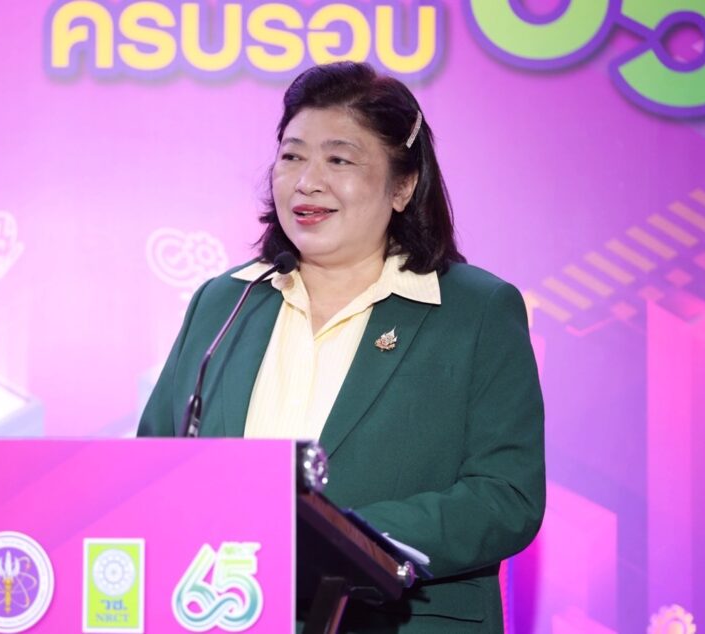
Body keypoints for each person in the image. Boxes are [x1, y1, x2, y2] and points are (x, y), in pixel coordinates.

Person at [139, 62, 544, 633]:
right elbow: (154, 465)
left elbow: (505, 498)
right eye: (292, 155)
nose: (307, 181)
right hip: (222, 613)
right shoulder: (225, 302)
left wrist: (345, 538)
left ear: (403, 186)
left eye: (339, 160)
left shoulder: (474, 311)